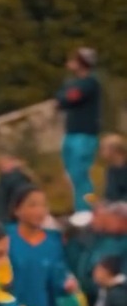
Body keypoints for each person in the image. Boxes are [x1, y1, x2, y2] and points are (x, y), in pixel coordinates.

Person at [7, 184, 77, 306]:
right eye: (32, 205)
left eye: (43, 205)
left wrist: (67, 285)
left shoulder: (53, 241)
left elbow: (59, 277)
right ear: (17, 209)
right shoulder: (6, 238)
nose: (39, 211)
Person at [56, 47, 102, 214]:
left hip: (84, 135)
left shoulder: (90, 83)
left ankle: (87, 209)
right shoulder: (72, 83)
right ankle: (79, 208)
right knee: (71, 175)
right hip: (71, 133)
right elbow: (60, 99)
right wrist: (64, 97)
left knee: (81, 174)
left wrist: (64, 97)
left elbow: (69, 98)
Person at [0, 153, 32, 223]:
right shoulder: (5, 179)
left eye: (4, 163)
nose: (1, 167)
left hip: (10, 220)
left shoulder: (15, 180)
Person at [100, 134, 127, 203]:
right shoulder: (111, 169)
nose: (100, 152)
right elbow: (110, 193)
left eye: (103, 148)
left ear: (113, 150)